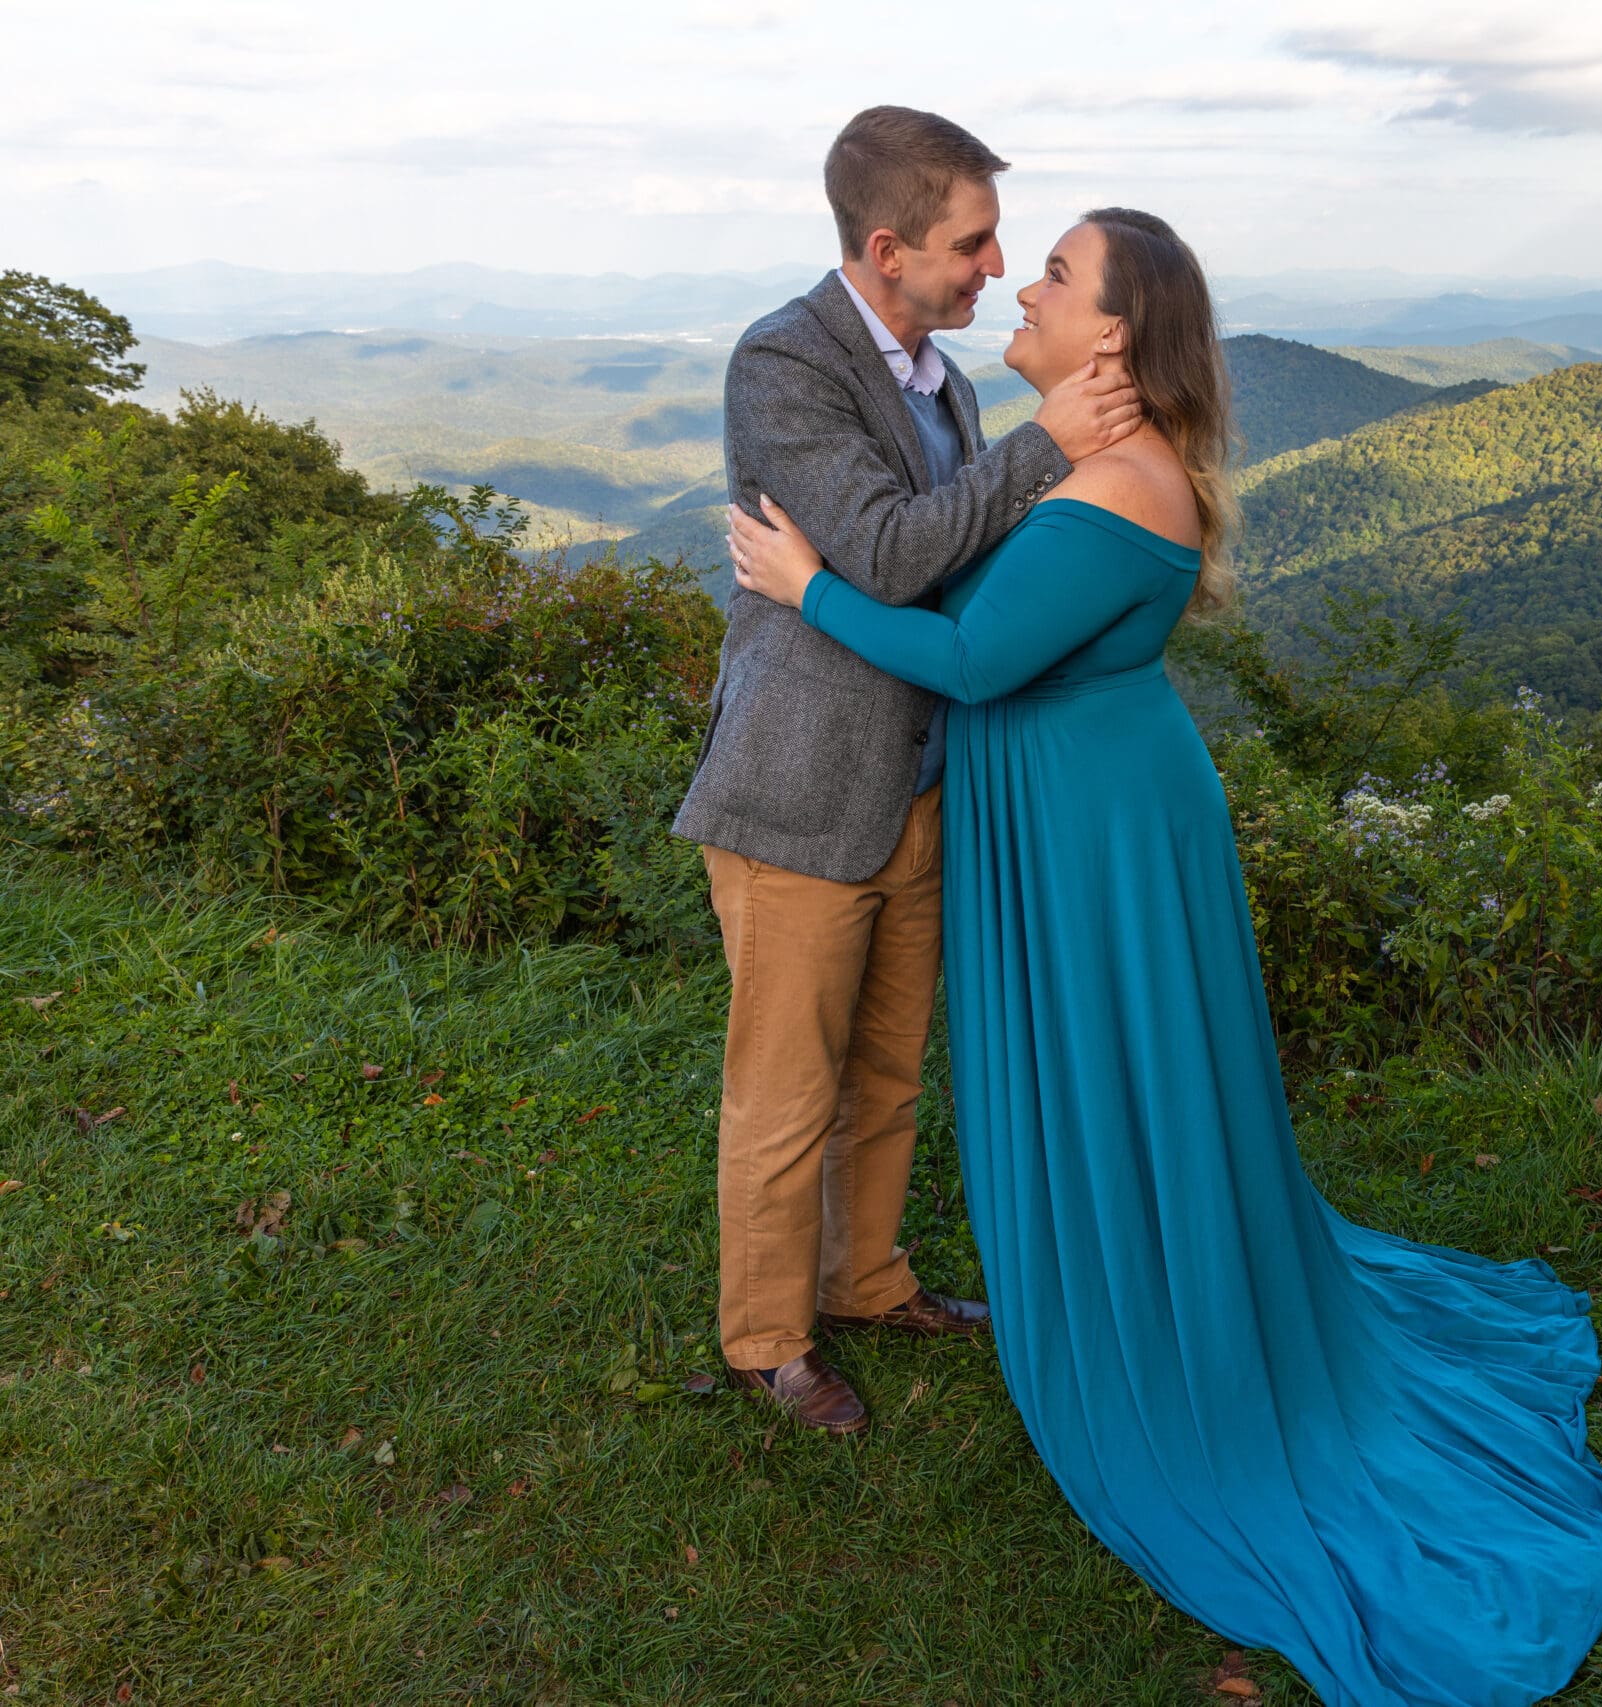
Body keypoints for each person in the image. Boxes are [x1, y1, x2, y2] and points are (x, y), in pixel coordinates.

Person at [726, 207, 1602, 1707]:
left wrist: (804, 588)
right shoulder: (1086, 461)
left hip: (1095, 828)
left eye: (1057, 273)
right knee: (1122, 1077)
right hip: (1082, 799)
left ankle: (1166, 1330)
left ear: (1116, 339)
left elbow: (966, 657)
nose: (1020, 283)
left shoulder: (1121, 489)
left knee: (1123, 1071)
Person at [672, 107, 1143, 1436]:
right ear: (889, 249)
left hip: (917, 785)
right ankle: (769, 1341)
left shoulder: (946, 380)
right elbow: (884, 557)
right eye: (974, 244)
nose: (995, 269)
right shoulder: (785, 363)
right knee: (786, 1089)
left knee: (885, 1072)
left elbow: (959, 563)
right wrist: (1054, 443)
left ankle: (869, 1281)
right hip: (801, 792)